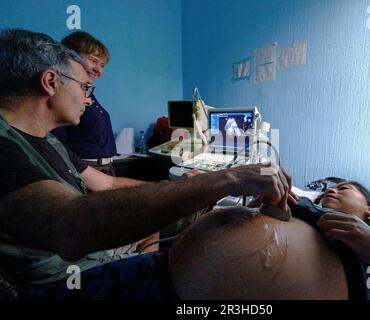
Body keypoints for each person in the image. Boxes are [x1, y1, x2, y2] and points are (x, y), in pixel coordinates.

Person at [0, 28, 292, 299]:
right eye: (84, 88)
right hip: (64, 282)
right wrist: (226, 179)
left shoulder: (49, 141)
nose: (87, 98)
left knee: (205, 228)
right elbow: (69, 225)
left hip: (88, 260)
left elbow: (109, 183)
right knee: (212, 264)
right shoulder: (5, 146)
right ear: (50, 82)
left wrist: (188, 188)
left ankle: (145, 263)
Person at [169, 181, 370, 300]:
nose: (331, 189)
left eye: (344, 188)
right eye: (328, 189)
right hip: (168, 276)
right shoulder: (302, 208)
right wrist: (262, 211)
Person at [51, 31, 116, 176]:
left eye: (102, 65)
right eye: (93, 60)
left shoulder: (88, 92)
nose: (99, 70)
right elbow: (56, 142)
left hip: (105, 168)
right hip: (86, 169)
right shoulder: (63, 93)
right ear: (71, 57)